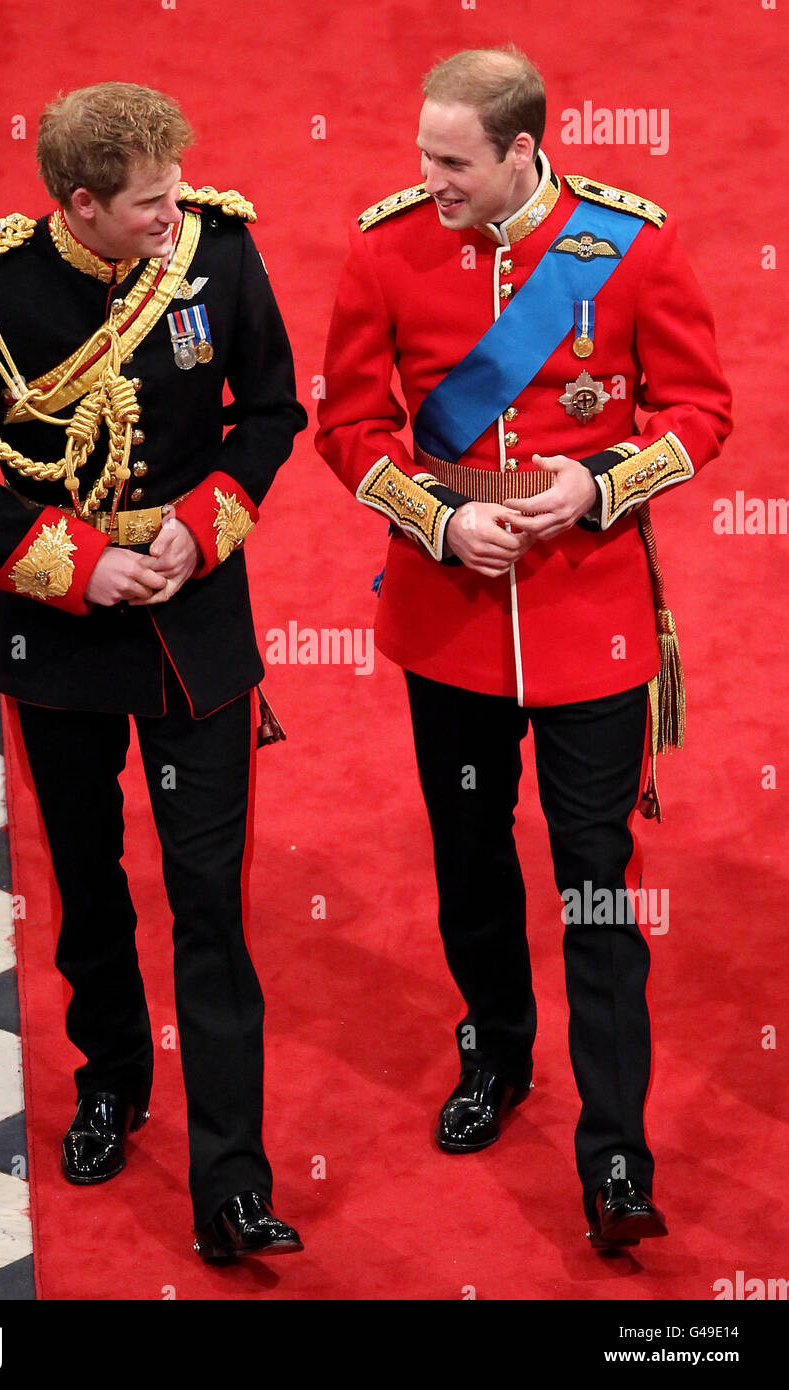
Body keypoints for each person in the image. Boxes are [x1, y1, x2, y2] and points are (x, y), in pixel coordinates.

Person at [315, 47, 731, 1248]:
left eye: (452, 162)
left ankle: (614, 1157)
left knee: (595, 883)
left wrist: (595, 487)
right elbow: (347, 423)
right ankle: (494, 1052)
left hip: (588, 617)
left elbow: (700, 411)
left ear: (520, 150)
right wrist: (439, 516)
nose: (429, 179)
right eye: (422, 158)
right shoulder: (385, 245)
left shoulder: (629, 246)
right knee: (470, 859)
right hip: (446, 619)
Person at [0, 81, 307, 1263]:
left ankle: (233, 1181)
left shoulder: (216, 251)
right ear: (78, 204)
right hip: (62, 635)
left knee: (209, 907)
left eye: (175, 189)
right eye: (146, 202)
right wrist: (75, 566)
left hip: (195, 628)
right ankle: (109, 1085)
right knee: (86, 884)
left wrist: (209, 517)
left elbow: (271, 411)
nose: (171, 213)